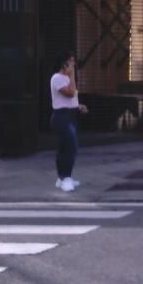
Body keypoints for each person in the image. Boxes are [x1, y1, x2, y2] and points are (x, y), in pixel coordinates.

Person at [50, 51, 88, 192]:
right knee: (71, 147)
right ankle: (65, 178)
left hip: (70, 114)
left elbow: (70, 98)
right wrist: (72, 75)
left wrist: (78, 106)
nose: (74, 64)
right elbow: (70, 93)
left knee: (64, 147)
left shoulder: (66, 78)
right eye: (71, 61)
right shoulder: (57, 78)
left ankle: (63, 177)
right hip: (62, 117)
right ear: (64, 63)